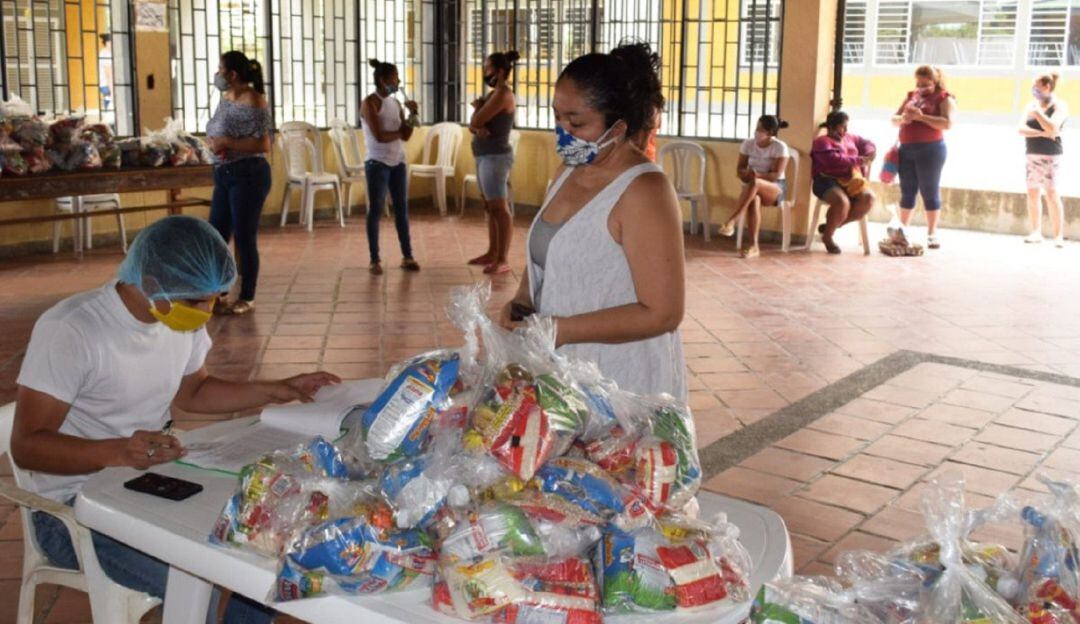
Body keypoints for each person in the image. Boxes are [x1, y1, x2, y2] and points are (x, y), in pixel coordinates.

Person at [11, 216, 341, 624]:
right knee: (205, 585)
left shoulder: (173, 320)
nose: (208, 311)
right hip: (72, 510)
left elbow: (194, 391)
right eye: (199, 301)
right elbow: (27, 446)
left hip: (145, 482)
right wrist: (120, 451)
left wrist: (280, 389)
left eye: (214, 298)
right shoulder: (74, 330)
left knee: (258, 557)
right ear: (151, 283)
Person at [499, 41, 686, 399]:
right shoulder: (568, 171)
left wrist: (560, 329)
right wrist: (523, 300)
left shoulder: (644, 191)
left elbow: (663, 313)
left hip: (621, 383)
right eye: (557, 117)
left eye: (576, 122)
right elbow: (549, 254)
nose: (563, 131)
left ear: (617, 128)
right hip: (562, 374)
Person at [204, 51, 272, 316]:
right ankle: (218, 291)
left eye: (221, 69)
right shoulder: (225, 99)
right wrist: (214, 143)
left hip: (249, 174)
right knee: (217, 235)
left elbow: (263, 144)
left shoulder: (255, 101)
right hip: (224, 173)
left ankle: (247, 295)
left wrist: (227, 143)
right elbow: (220, 131)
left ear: (233, 74)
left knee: (244, 237)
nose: (217, 74)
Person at [360, 58, 421, 276]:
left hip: (397, 163)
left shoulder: (395, 104)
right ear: (383, 80)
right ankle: (374, 259)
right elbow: (378, 136)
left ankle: (407, 256)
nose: (398, 81)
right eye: (395, 77)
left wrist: (413, 114)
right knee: (376, 210)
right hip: (377, 164)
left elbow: (407, 135)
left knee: (401, 210)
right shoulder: (370, 103)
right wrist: (400, 132)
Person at [466, 50, 519, 275]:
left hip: (496, 157)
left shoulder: (503, 94)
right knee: (490, 206)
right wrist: (477, 123)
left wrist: (477, 113)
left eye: (487, 68)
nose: (484, 72)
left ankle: (502, 259)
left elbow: (476, 120)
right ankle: (492, 252)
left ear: (499, 71)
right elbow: (473, 126)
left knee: (499, 208)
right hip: (483, 156)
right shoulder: (492, 94)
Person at [891, 65, 954, 250]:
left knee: (929, 190)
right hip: (906, 149)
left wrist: (922, 118)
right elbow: (893, 118)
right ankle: (903, 231)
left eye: (925, 84)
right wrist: (903, 119)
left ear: (935, 82)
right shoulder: (912, 96)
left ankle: (932, 233)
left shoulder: (944, 97)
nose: (921, 87)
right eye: (918, 83)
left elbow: (947, 123)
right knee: (907, 190)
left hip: (931, 150)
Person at [720, 115, 790, 258]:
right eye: (757, 128)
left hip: (775, 188)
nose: (756, 132)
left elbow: (776, 174)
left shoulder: (780, 147)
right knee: (754, 199)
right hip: (751, 187)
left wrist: (756, 175)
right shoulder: (748, 144)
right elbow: (739, 169)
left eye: (760, 129)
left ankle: (733, 219)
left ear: (770, 133)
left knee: (756, 183)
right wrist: (745, 174)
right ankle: (754, 246)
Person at [810, 111, 877, 254]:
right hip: (826, 180)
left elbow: (867, 143)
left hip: (851, 180)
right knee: (842, 202)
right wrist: (859, 160)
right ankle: (828, 237)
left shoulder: (850, 137)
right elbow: (833, 160)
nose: (845, 131)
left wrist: (869, 152)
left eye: (846, 127)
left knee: (869, 198)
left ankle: (831, 226)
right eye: (842, 127)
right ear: (832, 127)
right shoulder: (821, 142)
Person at [1019, 73, 1068, 247]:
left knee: (1051, 193)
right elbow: (1021, 128)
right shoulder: (1030, 106)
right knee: (1032, 192)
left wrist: (1038, 114)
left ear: (1047, 87)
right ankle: (1035, 232)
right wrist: (1041, 133)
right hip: (1032, 152)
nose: (1034, 90)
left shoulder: (1058, 106)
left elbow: (1054, 128)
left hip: (1051, 154)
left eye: (1037, 86)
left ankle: (1058, 235)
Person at [97, 34, 113, 113]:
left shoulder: (104, 52)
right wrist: (112, 90)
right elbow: (108, 74)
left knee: (109, 105)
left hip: (105, 84)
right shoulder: (106, 54)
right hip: (107, 84)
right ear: (107, 43)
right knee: (111, 107)